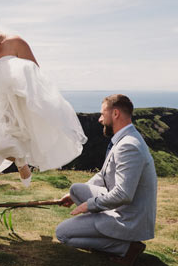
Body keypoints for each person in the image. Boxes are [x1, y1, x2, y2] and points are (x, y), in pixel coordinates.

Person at [0, 10, 87, 215]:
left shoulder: (15, 43)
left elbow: (35, 74)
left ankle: (20, 161)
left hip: (15, 103)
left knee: (1, 143)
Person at [56, 94, 157, 266]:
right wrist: (73, 196)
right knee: (75, 189)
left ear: (115, 114)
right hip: (122, 206)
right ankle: (99, 228)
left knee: (63, 233)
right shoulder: (124, 138)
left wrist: (89, 205)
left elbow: (123, 195)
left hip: (127, 216)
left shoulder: (128, 146)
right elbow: (103, 176)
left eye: (103, 114)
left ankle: (125, 247)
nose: (100, 119)